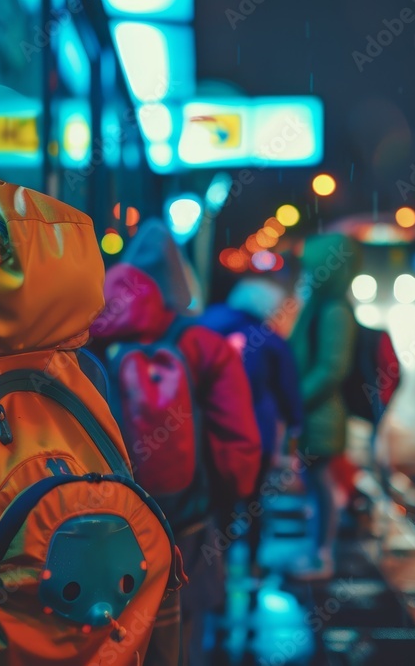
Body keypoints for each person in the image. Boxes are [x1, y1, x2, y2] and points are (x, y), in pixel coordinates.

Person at [90, 221, 261, 665]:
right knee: (182, 635)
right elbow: (237, 440)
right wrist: (230, 499)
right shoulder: (204, 345)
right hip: (187, 524)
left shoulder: (86, 339)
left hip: (105, 524)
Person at [199, 277, 304, 573]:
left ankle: (217, 566)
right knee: (255, 501)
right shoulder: (269, 339)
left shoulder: (207, 329)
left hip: (213, 431)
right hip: (256, 433)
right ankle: (254, 563)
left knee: (219, 502)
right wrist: (295, 425)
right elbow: (287, 389)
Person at [287, 234, 359, 579]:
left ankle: (322, 555)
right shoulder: (321, 304)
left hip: (322, 414)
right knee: (314, 483)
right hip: (315, 411)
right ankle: (316, 550)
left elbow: (333, 367)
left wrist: (296, 398)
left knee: (321, 484)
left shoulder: (333, 310)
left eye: (315, 267)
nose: (309, 273)